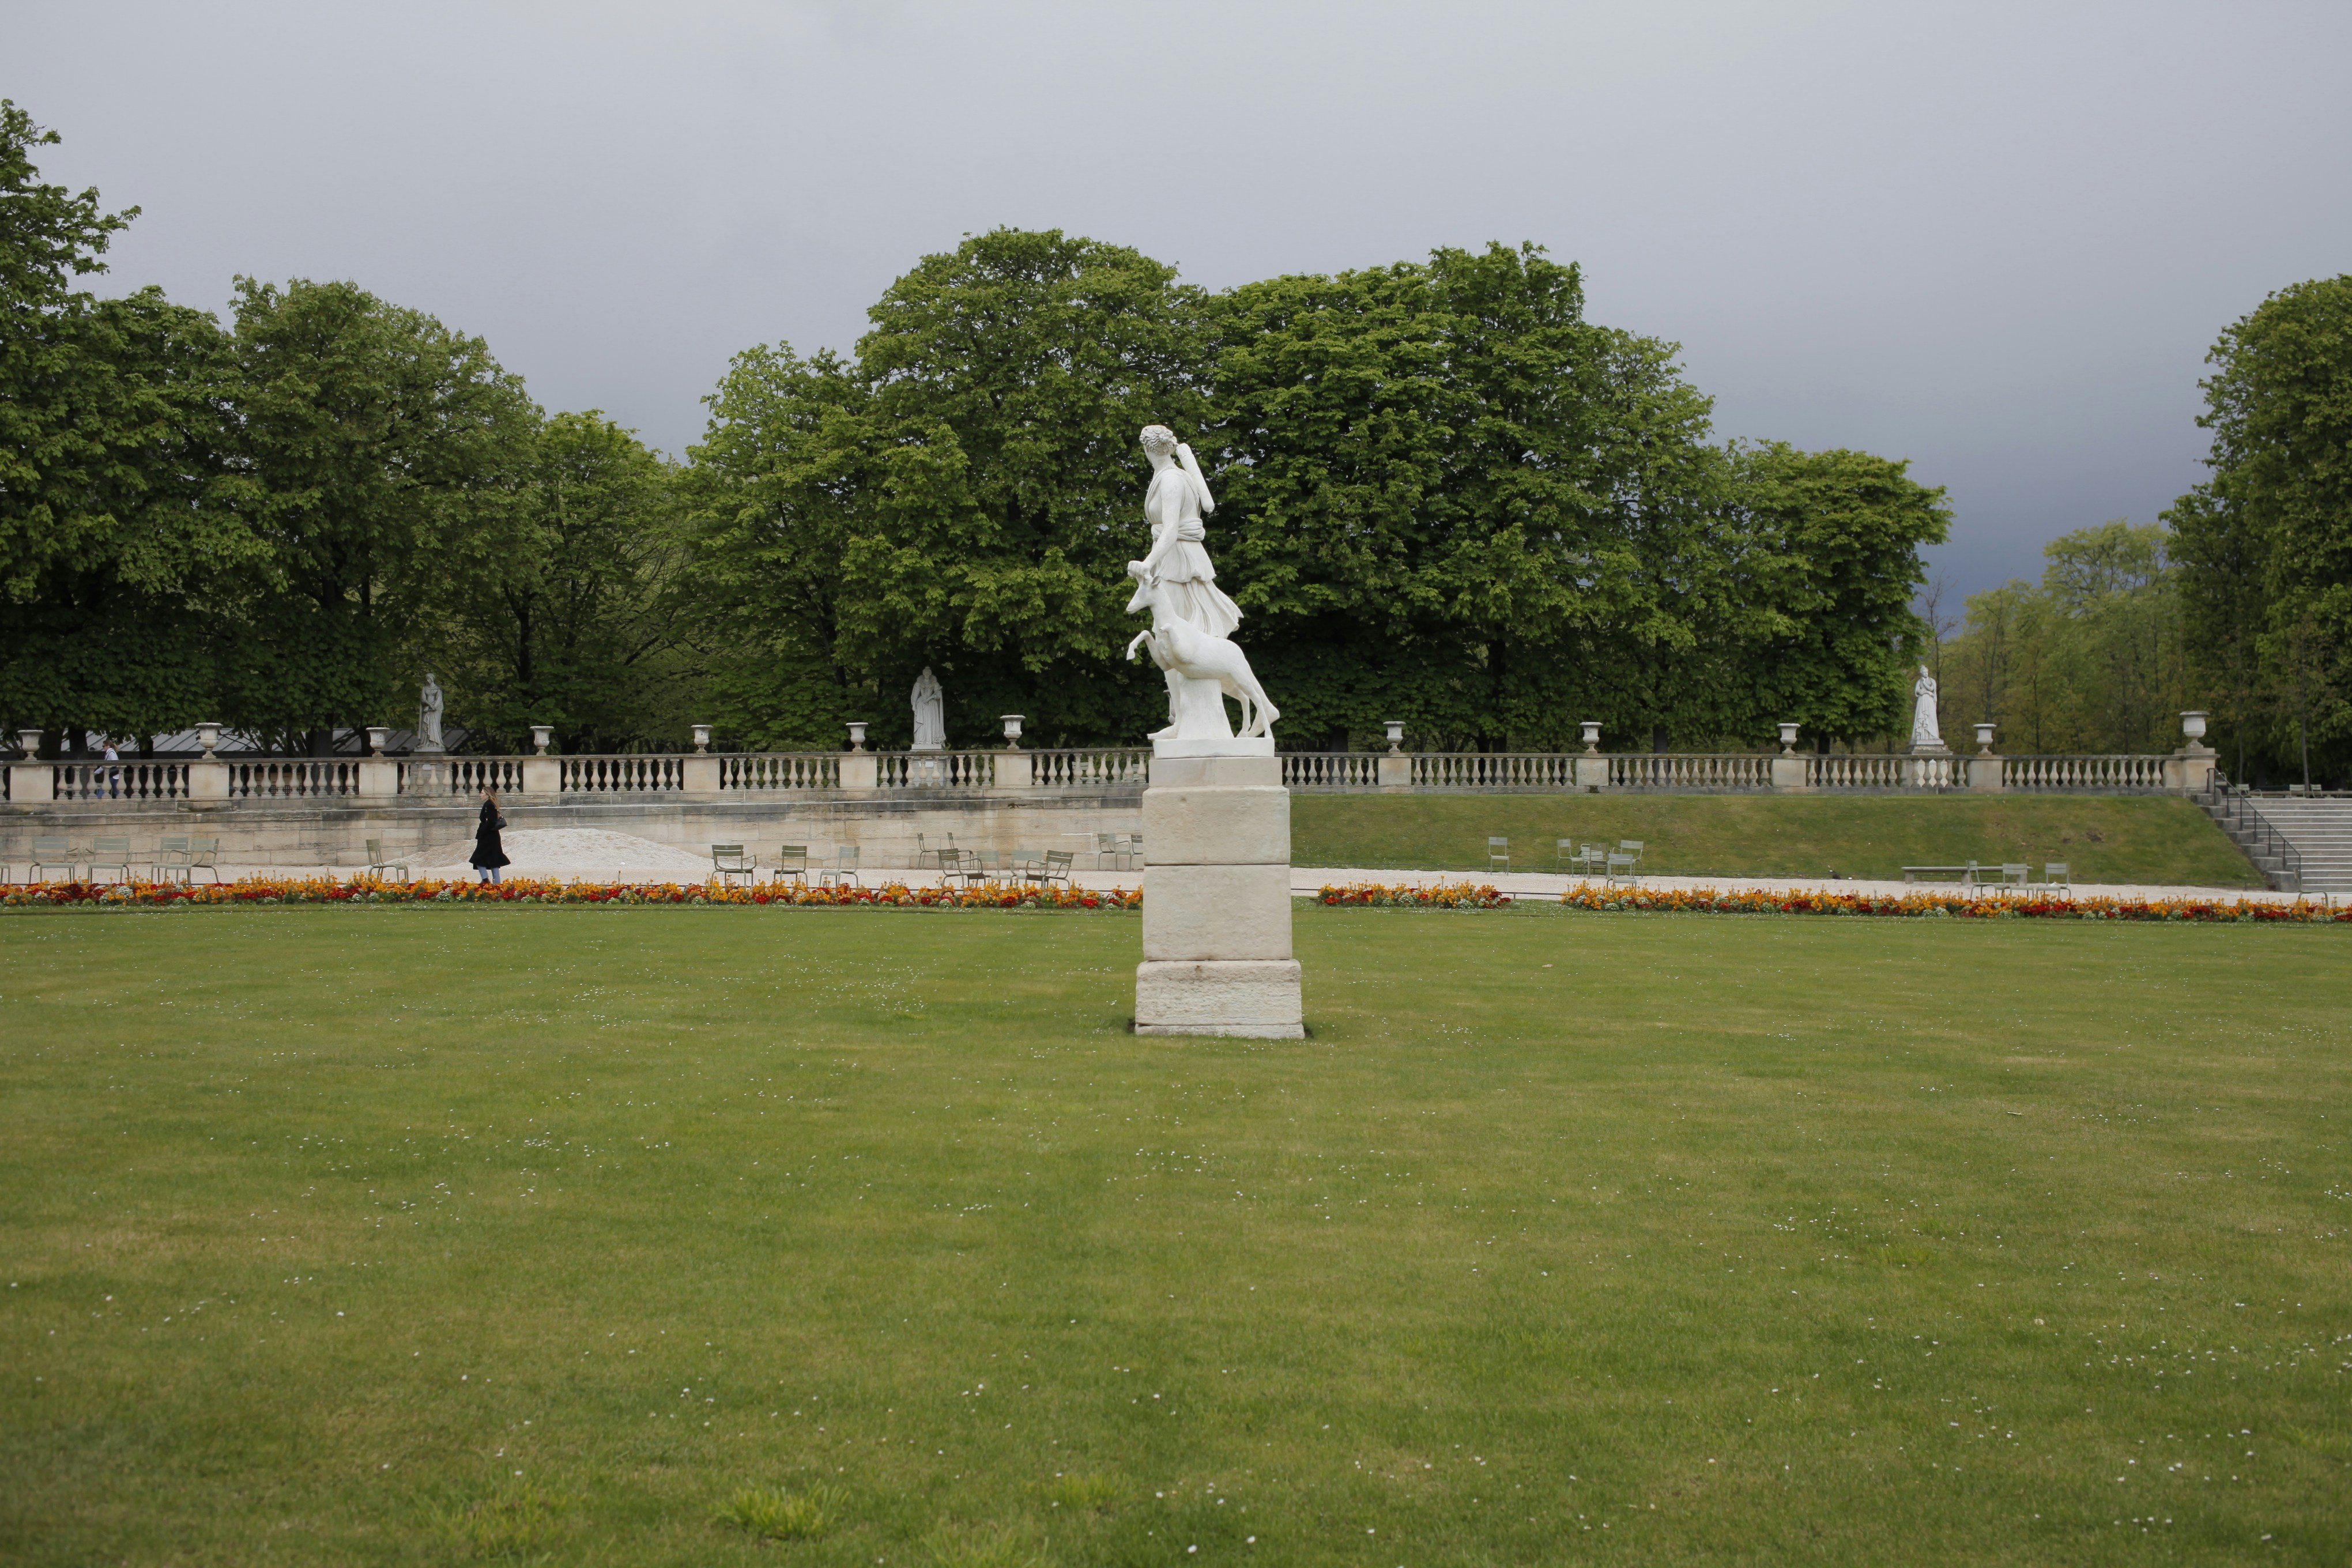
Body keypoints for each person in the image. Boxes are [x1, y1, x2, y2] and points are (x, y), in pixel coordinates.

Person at [1131, 424, 1243, 736]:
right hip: (1174, 558)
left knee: (1172, 637)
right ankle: (1182, 718)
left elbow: (1169, 530)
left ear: (1147, 449)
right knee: (1171, 638)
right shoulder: (1177, 476)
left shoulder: (1170, 480)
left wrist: (1147, 564)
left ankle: (1184, 720)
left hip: (1177, 562)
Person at [471, 787, 509, 884]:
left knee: (478, 858)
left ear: (488, 794)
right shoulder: (490, 804)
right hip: (492, 836)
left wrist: (483, 831)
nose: (480, 794)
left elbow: (491, 822)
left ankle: (485, 880)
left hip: (488, 837)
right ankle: (497, 884)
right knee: (494, 860)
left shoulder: (489, 805)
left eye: (482, 793)